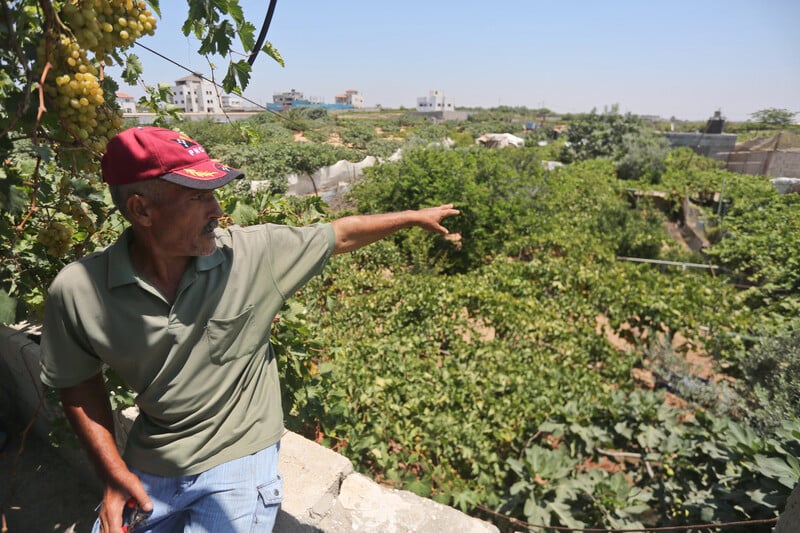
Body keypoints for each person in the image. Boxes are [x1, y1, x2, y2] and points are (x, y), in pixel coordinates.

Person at [38, 126, 459, 532]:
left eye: (215, 195)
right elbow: (76, 382)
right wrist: (113, 475)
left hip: (239, 460)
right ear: (141, 210)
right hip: (153, 460)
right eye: (197, 197)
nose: (217, 211)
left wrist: (412, 217)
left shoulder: (252, 255)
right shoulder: (79, 291)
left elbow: (340, 234)